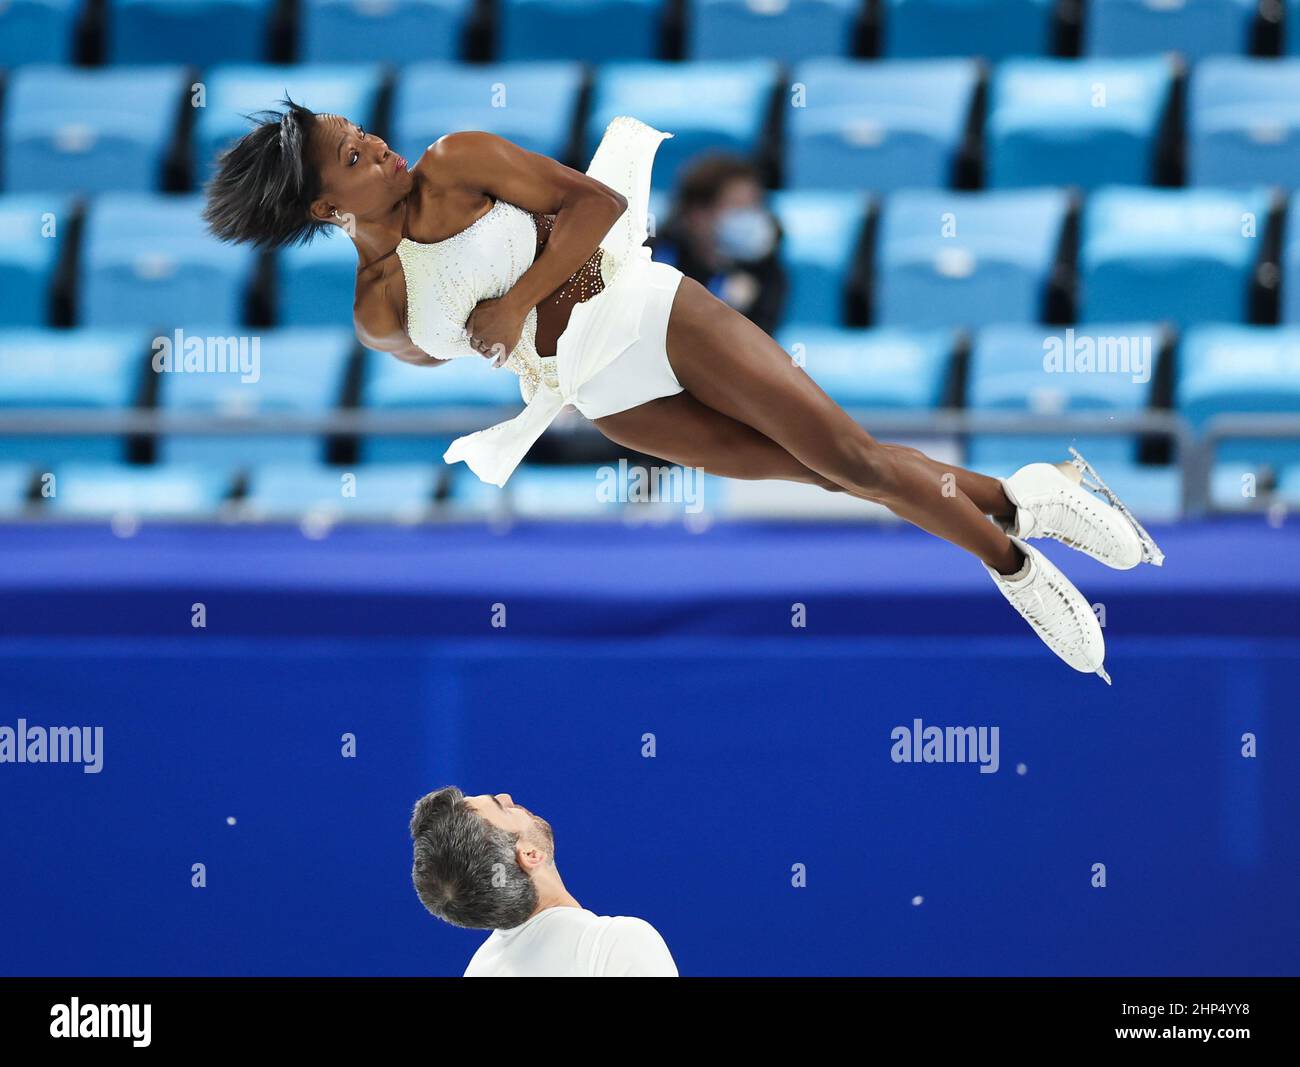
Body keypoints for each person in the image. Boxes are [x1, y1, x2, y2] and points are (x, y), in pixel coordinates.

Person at [202, 102, 1163, 681]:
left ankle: (1016, 568)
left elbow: (597, 207)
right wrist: (520, 327)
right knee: (827, 478)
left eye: (362, 131)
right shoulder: (381, 313)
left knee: (853, 459)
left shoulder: (458, 160)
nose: (380, 148)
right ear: (329, 209)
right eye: (356, 158)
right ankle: (1031, 495)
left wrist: (526, 297)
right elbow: (482, 348)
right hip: (604, 392)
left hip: (651, 310)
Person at [410, 787, 678, 977]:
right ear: (530, 854)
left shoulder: (480, 969)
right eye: (500, 806)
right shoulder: (615, 943)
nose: (507, 797)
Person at [651, 152, 787, 335]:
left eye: (754, 205)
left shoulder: (765, 273)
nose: (748, 217)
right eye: (737, 206)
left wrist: (732, 312)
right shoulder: (651, 255)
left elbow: (754, 349)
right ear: (697, 215)